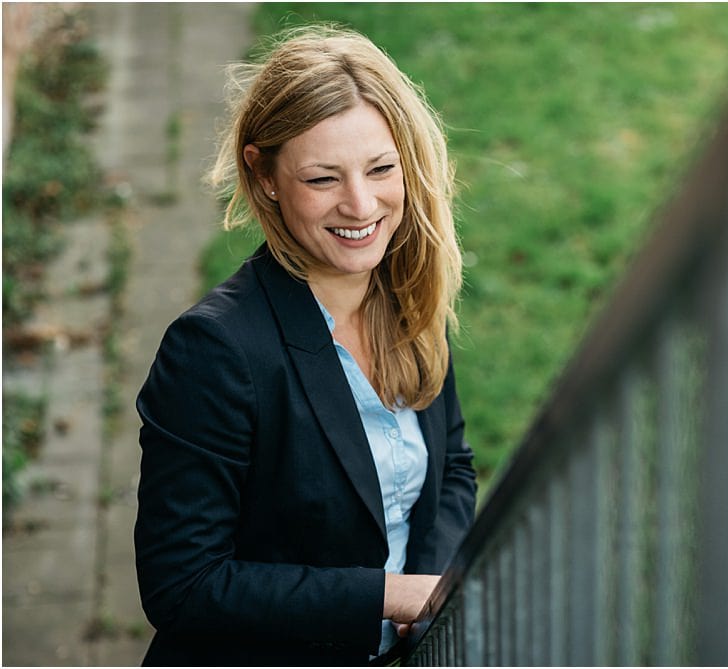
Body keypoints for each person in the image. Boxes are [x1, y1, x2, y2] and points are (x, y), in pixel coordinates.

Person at [134, 24, 477, 666]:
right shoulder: (213, 350)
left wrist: (430, 602)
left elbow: (452, 464)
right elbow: (183, 587)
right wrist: (391, 596)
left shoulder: (407, 295)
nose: (361, 204)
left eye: (380, 168)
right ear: (264, 176)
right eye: (323, 179)